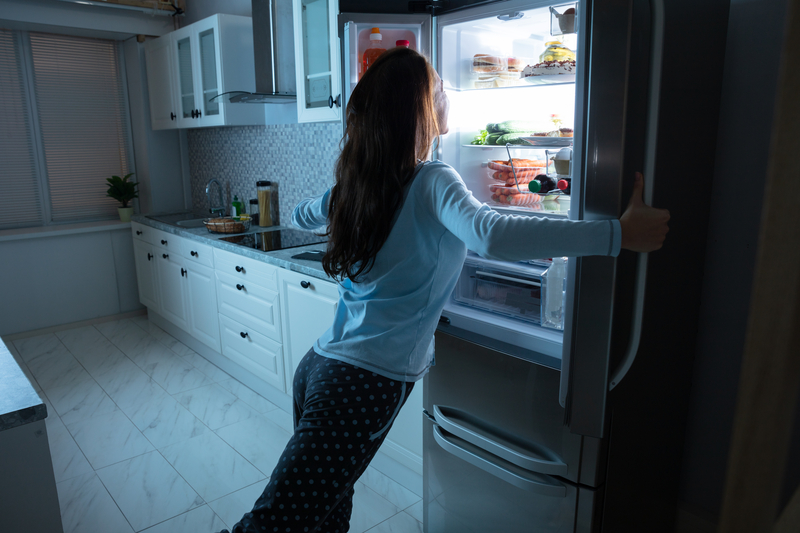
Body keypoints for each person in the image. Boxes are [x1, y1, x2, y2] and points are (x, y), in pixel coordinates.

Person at [220, 47, 668, 533]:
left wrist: (332, 204)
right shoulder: (433, 179)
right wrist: (617, 234)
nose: (446, 95)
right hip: (360, 384)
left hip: (320, 368)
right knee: (273, 524)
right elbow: (491, 233)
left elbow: (302, 214)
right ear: (417, 109)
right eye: (437, 87)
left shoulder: (359, 183)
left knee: (326, 512)